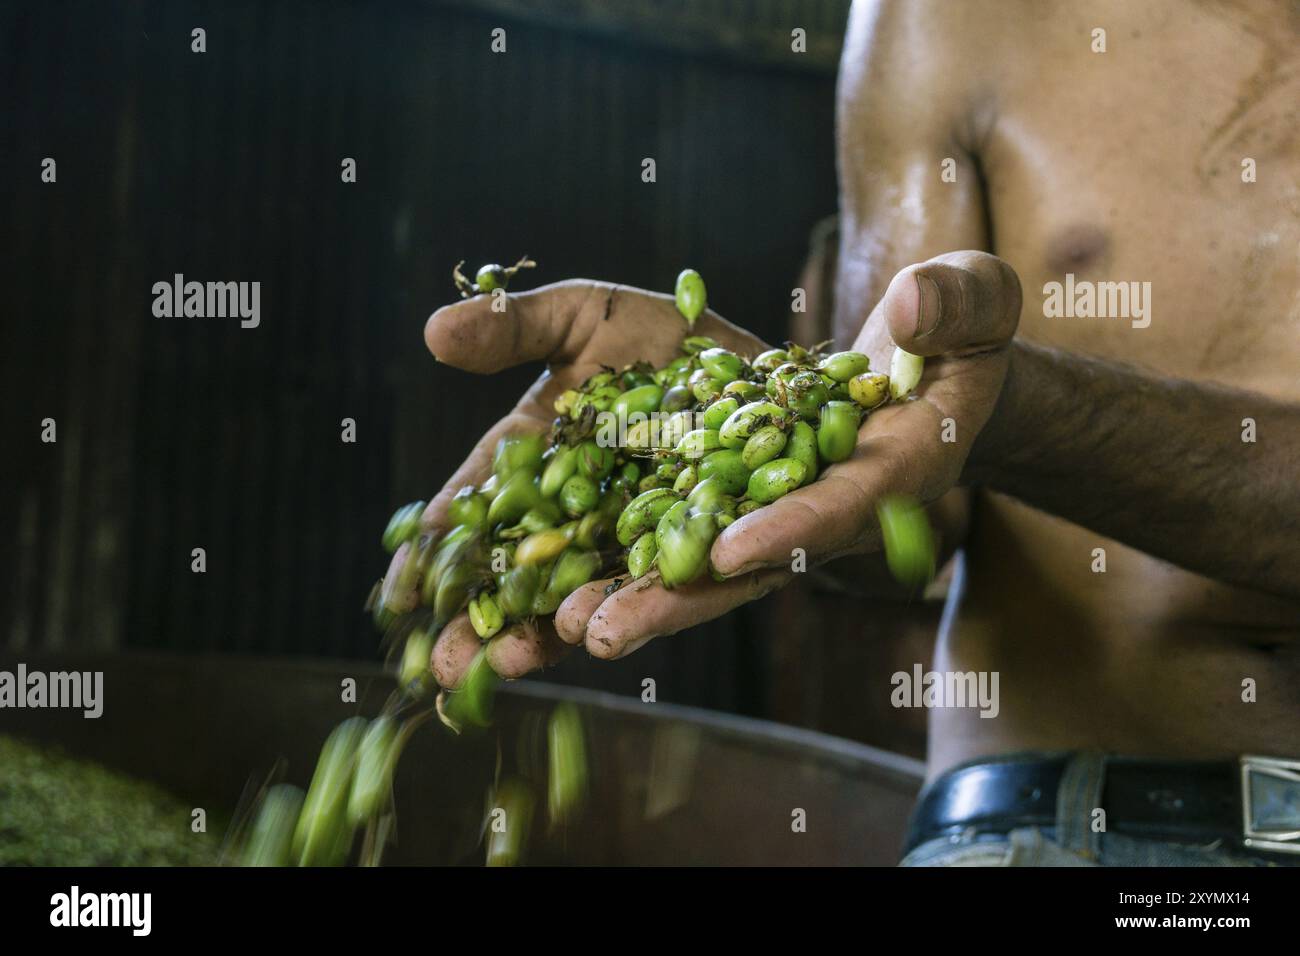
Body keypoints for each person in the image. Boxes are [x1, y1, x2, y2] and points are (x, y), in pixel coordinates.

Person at [412, 0, 1300, 866]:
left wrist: (1020, 411)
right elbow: (903, 485)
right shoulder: (949, 16)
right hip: (1045, 815)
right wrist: (806, 445)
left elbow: (978, 418)